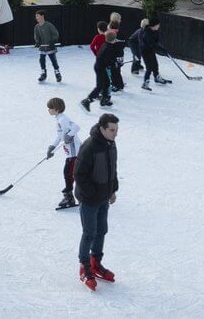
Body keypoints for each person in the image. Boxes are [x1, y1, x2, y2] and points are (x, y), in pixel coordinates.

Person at [75, 112, 119, 290]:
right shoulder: (89, 146)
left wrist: (112, 190)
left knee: (101, 231)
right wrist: (92, 193)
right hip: (89, 199)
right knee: (89, 233)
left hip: (104, 197)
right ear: (102, 128)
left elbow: (112, 168)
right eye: (111, 130)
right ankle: (85, 267)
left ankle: (96, 263)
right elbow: (79, 174)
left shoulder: (111, 143)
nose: (115, 133)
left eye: (117, 129)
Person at [47, 97, 81, 210]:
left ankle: (71, 197)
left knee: (69, 173)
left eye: (50, 108)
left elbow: (76, 127)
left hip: (74, 152)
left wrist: (69, 135)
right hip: (70, 152)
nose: (48, 110)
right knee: (69, 174)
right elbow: (59, 136)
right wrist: (52, 147)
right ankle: (71, 196)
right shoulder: (59, 120)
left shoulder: (63, 119)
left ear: (56, 109)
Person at [131, 18, 168, 91]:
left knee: (155, 64)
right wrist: (161, 49)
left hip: (151, 50)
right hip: (145, 51)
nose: (159, 26)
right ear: (154, 25)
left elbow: (156, 42)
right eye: (158, 25)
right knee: (149, 67)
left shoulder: (155, 31)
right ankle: (145, 83)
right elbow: (152, 43)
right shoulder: (147, 33)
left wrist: (162, 48)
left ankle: (157, 77)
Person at [33, 9, 61, 83]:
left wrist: (53, 41)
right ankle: (43, 73)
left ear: (42, 16)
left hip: (50, 47)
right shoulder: (37, 27)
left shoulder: (49, 25)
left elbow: (56, 34)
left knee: (53, 60)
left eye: (37, 16)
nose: (36, 18)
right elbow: (36, 36)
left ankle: (57, 73)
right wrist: (37, 42)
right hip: (42, 47)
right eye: (36, 16)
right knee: (42, 60)